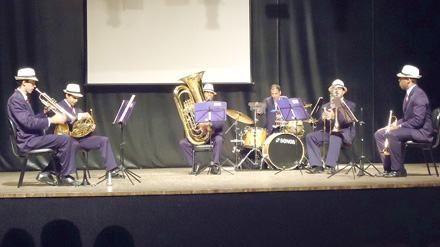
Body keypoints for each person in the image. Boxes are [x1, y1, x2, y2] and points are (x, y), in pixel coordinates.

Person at [7, 68, 79, 186]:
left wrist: (45, 112)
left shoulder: (22, 98)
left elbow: (31, 119)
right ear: (24, 82)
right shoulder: (15, 99)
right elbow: (28, 123)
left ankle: (47, 173)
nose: (35, 86)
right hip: (27, 141)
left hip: (32, 138)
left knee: (69, 140)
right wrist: (51, 120)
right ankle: (64, 176)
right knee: (65, 139)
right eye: (33, 82)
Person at [374, 65, 433, 178]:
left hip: (421, 132)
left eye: (401, 78)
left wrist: (398, 127)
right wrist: (393, 125)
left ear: (408, 80)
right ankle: (388, 168)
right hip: (414, 129)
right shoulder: (409, 94)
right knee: (380, 134)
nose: (399, 81)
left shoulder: (419, 95)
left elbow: (418, 121)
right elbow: (407, 118)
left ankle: (398, 170)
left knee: (392, 134)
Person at [57, 83, 122, 178]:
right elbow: (62, 118)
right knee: (73, 144)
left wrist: (89, 128)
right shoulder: (59, 106)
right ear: (67, 95)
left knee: (104, 140)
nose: (76, 100)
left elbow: (81, 127)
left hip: (81, 139)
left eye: (77, 98)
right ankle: (65, 175)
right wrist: (79, 116)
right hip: (68, 140)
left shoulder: (77, 109)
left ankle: (111, 170)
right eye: (74, 98)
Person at [306, 79, 356, 174]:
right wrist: (323, 118)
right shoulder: (327, 105)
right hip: (329, 132)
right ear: (331, 91)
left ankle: (330, 166)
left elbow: (347, 121)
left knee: (335, 136)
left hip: (343, 132)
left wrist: (333, 116)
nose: (336, 91)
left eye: (339, 89)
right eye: (334, 89)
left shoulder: (350, 104)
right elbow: (320, 124)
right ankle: (317, 165)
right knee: (310, 137)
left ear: (343, 91)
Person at [179, 83, 225, 175]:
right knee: (183, 142)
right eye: (206, 92)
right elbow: (189, 121)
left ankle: (216, 165)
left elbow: (220, 123)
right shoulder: (195, 106)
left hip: (214, 135)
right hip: (199, 135)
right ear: (202, 94)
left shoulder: (218, 107)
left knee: (219, 139)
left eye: (210, 93)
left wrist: (209, 124)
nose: (208, 94)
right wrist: (188, 112)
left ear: (213, 95)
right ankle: (197, 164)